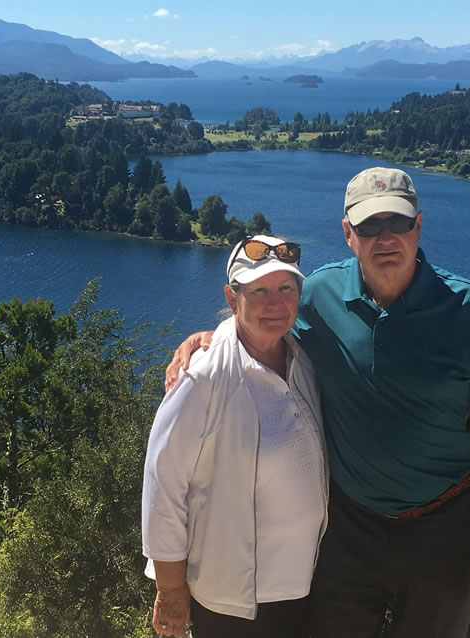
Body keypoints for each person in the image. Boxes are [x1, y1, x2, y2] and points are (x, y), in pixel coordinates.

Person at [165, 167, 470, 638]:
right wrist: (212, 337)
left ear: (418, 226)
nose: (385, 237)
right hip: (349, 527)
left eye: (397, 222)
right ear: (349, 234)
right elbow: (265, 315)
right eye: (370, 225)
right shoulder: (318, 296)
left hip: (445, 527)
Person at [142, 235, 328, 638]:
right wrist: (171, 589)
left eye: (286, 288)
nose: (275, 304)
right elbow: (163, 486)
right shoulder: (204, 376)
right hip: (235, 601)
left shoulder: (304, 358)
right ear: (232, 297)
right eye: (259, 290)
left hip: (305, 586)